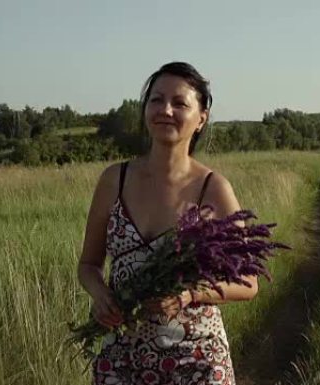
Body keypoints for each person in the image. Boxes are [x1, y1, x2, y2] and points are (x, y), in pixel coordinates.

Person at [77, 62, 258, 385]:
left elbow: (248, 281)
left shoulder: (213, 188)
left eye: (180, 103)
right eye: (156, 100)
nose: (165, 110)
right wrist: (100, 295)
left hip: (197, 360)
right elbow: (89, 264)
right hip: (122, 356)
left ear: (201, 118)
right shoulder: (113, 180)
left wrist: (189, 294)